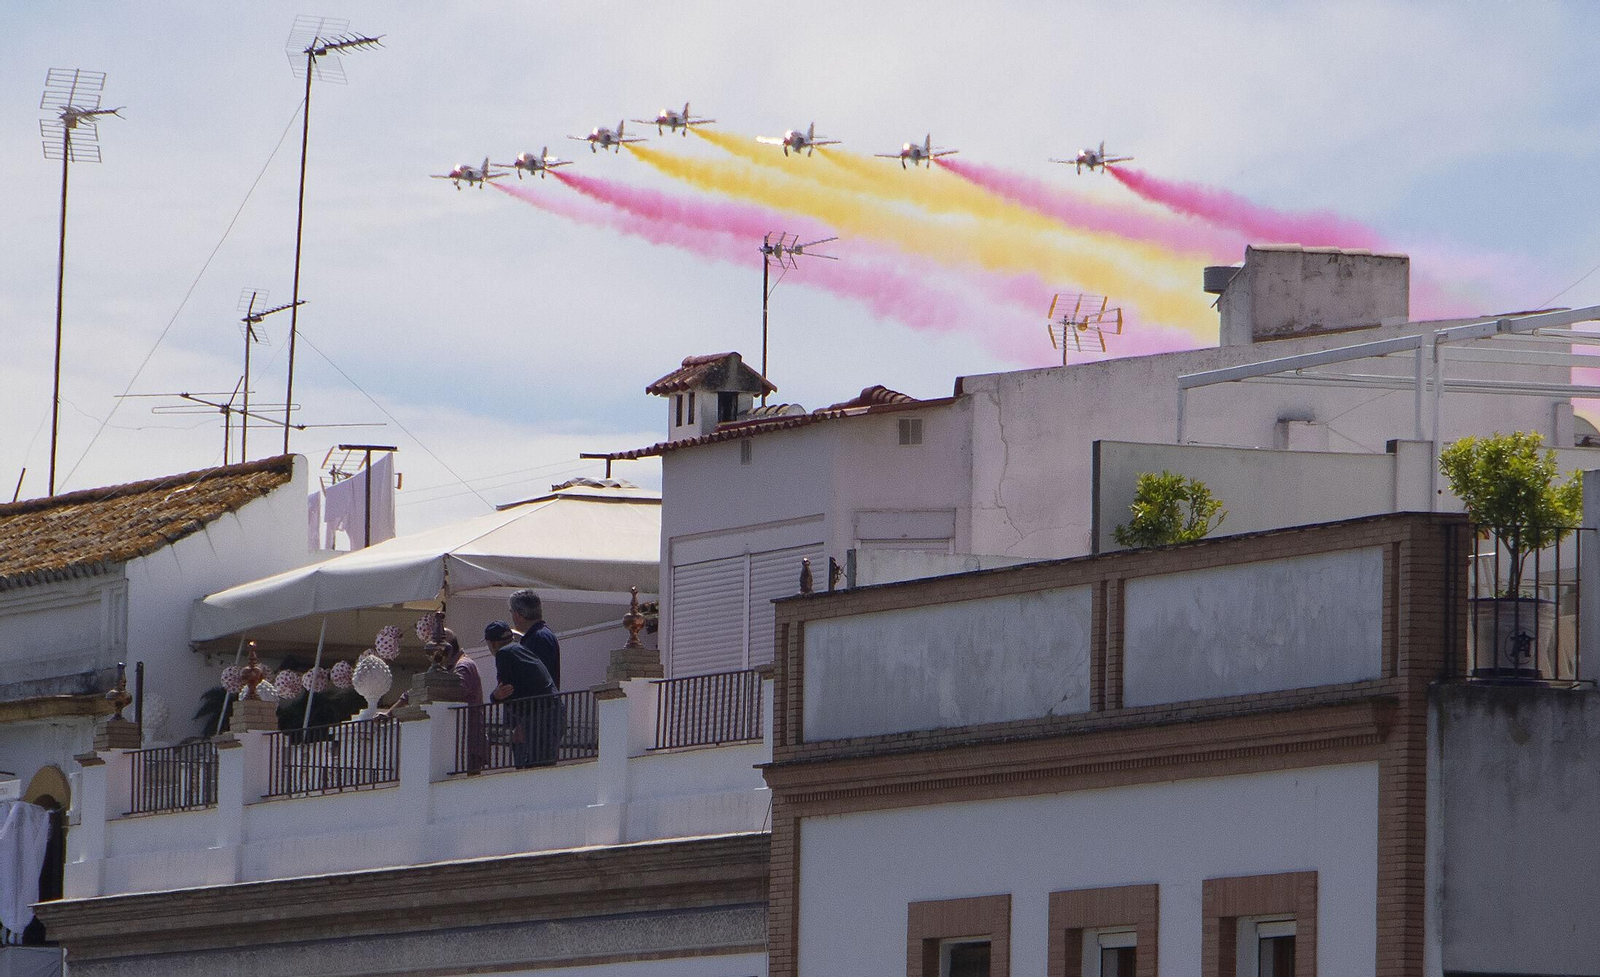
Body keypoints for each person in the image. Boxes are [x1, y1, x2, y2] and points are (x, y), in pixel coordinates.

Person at [485, 620, 558, 768]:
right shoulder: (520, 649)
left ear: (492, 644)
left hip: (538, 717)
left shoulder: (503, 653)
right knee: (543, 767)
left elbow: (505, 691)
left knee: (532, 769)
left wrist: (494, 697)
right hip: (551, 711)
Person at [509, 589, 561, 691]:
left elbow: (534, 677)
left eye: (511, 612)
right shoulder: (543, 634)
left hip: (540, 705)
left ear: (517, 614)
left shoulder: (537, 639)